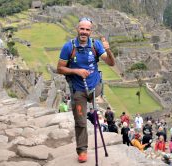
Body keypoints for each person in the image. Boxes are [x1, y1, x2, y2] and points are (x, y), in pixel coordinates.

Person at [57, 17, 115, 163]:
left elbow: (111, 63)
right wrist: (77, 71)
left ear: (91, 31)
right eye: (82, 29)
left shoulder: (96, 45)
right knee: (81, 121)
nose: (84, 32)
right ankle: (82, 150)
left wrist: (108, 49)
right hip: (78, 89)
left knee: (94, 104)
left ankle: (95, 106)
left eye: (87, 29)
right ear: (77, 29)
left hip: (95, 86)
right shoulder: (69, 47)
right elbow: (60, 68)